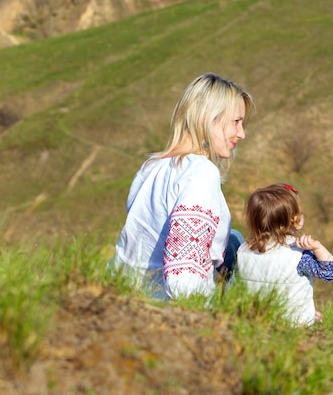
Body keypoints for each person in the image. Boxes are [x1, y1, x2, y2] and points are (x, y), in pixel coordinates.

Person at [109, 72, 255, 300]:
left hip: (121, 290)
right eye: (236, 122)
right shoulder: (200, 173)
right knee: (237, 245)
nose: (241, 133)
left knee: (234, 239)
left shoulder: (151, 167)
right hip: (161, 304)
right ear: (208, 117)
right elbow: (184, 272)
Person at [237, 183, 333, 326]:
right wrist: (318, 248)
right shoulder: (298, 255)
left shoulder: (243, 250)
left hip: (255, 319)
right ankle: (308, 317)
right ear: (296, 221)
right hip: (293, 323)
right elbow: (330, 273)